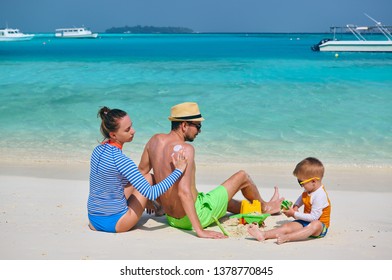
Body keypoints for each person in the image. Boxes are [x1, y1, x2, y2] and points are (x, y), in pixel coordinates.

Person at [138, 102, 283, 239]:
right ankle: (265, 207)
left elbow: (140, 174)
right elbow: (184, 192)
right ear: (184, 125)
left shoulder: (154, 141)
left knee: (226, 202)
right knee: (242, 176)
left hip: (171, 218)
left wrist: (150, 200)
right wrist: (200, 231)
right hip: (192, 217)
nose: (200, 131)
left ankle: (253, 210)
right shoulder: (186, 149)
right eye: (198, 126)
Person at [87, 106, 187, 233]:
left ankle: (154, 205)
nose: (133, 131)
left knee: (137, 180)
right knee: (149, 177)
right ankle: (159, 207)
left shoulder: (97, 150)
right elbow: (152, 193)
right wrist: (178, 171)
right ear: (113, 134)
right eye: (127, 129)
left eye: (131, 126)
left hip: (93, 220)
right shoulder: (121, 160)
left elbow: (114, 183)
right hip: (116, 223)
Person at [247, 157, 331, 244]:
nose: (301, 185)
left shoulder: (320, 195)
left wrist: (294, 214)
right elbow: (302, 197)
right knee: (287, 226)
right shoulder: (309, 189)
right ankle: (264, 235)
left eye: (301, 182)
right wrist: (296, 206)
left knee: (315, 224)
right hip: (306, 221)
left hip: (320, 227)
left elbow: (314, 217)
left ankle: (288, 237)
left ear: (313, 181)